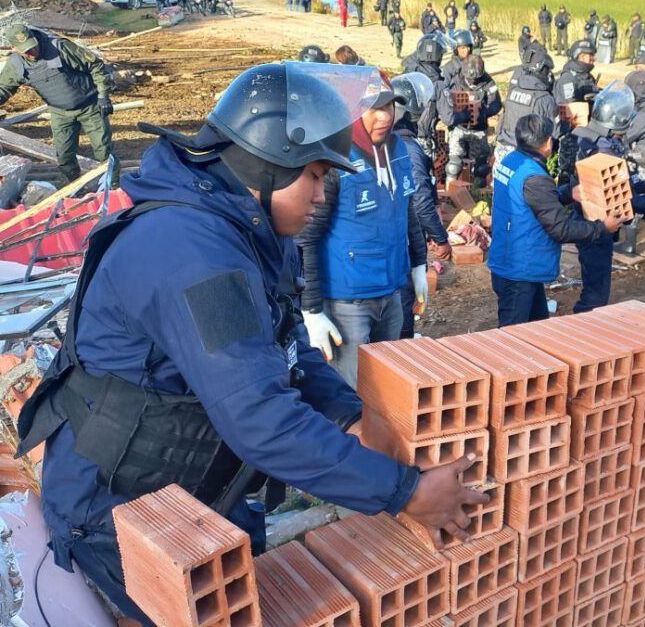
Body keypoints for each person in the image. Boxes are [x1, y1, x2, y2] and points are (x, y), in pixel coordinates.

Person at [15, 63, 487, 625]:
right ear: (263, 165)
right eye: (313, 175)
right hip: (117, 510)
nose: (323, 194)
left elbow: (286, 348)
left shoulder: (252, 229)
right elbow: (260, 417)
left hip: (199, 491)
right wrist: (405, 491)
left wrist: (347, 416)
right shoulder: (192, 251)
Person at [297, 71, 428, 387]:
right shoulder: (335, 160)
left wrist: (419, 264)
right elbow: (307, 238)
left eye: (389, 107)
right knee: (352, 388)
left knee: (389, 385)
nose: (384, 116)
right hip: (348, 302)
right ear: (354, 111)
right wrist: (312, 310)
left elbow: (406, 209)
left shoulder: (398, 149)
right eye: (373, 108)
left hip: (392, 293)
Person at [490, 115, 621, 326]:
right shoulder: (535, 177)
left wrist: (569, 193)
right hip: (520, 270)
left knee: (539, 329)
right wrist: (602, 227)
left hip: (510, 260)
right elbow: (561, 229)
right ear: (549, 142)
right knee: (511, 340)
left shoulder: (511, 161)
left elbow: (532, 202)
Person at [0, 22, 118, 186]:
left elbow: (95, 65)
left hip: (89, 106)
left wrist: (103, 96)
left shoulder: (60, 48)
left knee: (103, 151)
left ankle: (113, 189)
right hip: (60, 112)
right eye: (26, 51)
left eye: (33, 46)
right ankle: (74, 188)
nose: (32, 52)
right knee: (64, 157)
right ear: (14, 48)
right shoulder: (15, 65)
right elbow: (4, 88)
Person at [391, 72, 452, 337]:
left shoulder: (385, 146)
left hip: (392, 244)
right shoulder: (409, 150)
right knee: (403, 313)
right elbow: (421, 203)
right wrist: (440, 238)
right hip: (402, 246)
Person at [568, 83, 638, 310]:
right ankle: (584, 328)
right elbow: (615, 195)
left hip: (583, 218)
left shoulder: (583, 137)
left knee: (593, 280)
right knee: (596, 291)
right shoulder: (605, 151)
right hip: (598, 225)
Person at [438, 55, 502, 188]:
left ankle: (478, 194)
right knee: (454, 165)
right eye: (470, 78)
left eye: (476, 79)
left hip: (479, 129)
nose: (472, 81)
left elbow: (496, 104)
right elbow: (446, 102)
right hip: (459, 129)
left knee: (481, 167)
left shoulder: (488, 82)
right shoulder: (455, 80)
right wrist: (459, 113)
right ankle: (451, 192)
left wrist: (483, 112)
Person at [495, 43, 558, 165]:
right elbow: (555, 133)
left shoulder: (514, 90)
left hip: (502, 151)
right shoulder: (545, 99)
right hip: (526, 158)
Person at [554, 39, 600, 182]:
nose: (593, 59)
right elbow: (570, 106)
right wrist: (585, 101)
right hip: (571, 133)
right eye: (590, 56)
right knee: (568, 171)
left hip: (588, 130)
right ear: (579, 55)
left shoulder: (588, 76)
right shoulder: (569, 77)